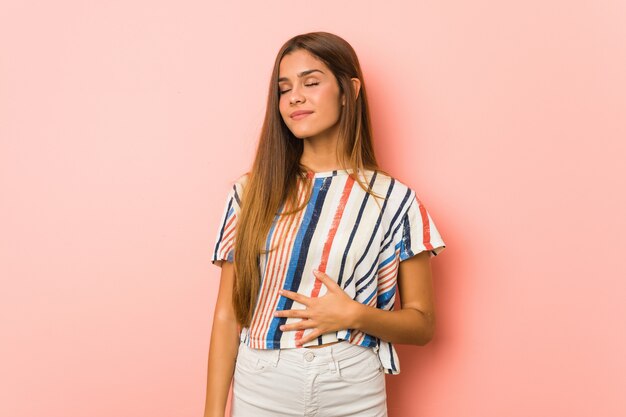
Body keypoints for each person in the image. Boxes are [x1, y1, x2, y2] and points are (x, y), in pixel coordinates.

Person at [204, 31, 446, 417]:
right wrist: (213, 413)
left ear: (349, 90)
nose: (295, 97)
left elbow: (423, 324)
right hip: (263, 380)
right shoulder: (251, 191)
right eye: (284, 89)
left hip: (353, 385)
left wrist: (354, 315)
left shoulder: (394, 200)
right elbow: (227, 313)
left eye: (311, 82)